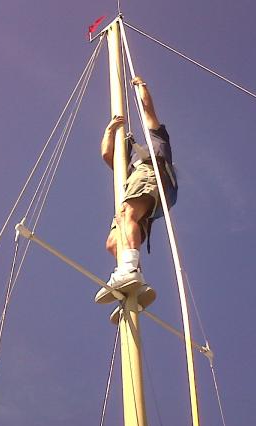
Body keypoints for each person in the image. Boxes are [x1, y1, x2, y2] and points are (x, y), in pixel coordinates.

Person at [95, 76, 177, 307]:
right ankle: (136, 284)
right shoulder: (127, 166)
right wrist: (110, 131)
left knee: (126, 215)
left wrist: (142, 87)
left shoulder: (157, 141)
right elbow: (106, 155)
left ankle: (129, 270)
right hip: (142, 186)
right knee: (113, 241)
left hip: (152, 175)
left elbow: (148, 110)